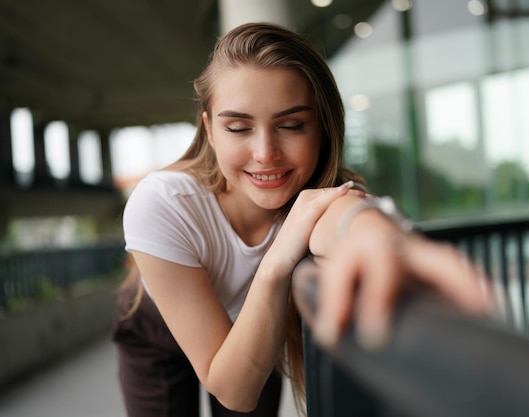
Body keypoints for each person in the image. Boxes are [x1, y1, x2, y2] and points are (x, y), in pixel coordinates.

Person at [112, 22, 491, 417]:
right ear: (209, 129)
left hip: (257, 317)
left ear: (323, 128)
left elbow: (352, 218)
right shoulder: (161, 202)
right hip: (157, 328)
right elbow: (230, 389)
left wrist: (380, 237)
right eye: (238, 127)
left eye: (292, 125)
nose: (265, 152)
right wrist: (277, 261)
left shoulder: (315, 200)